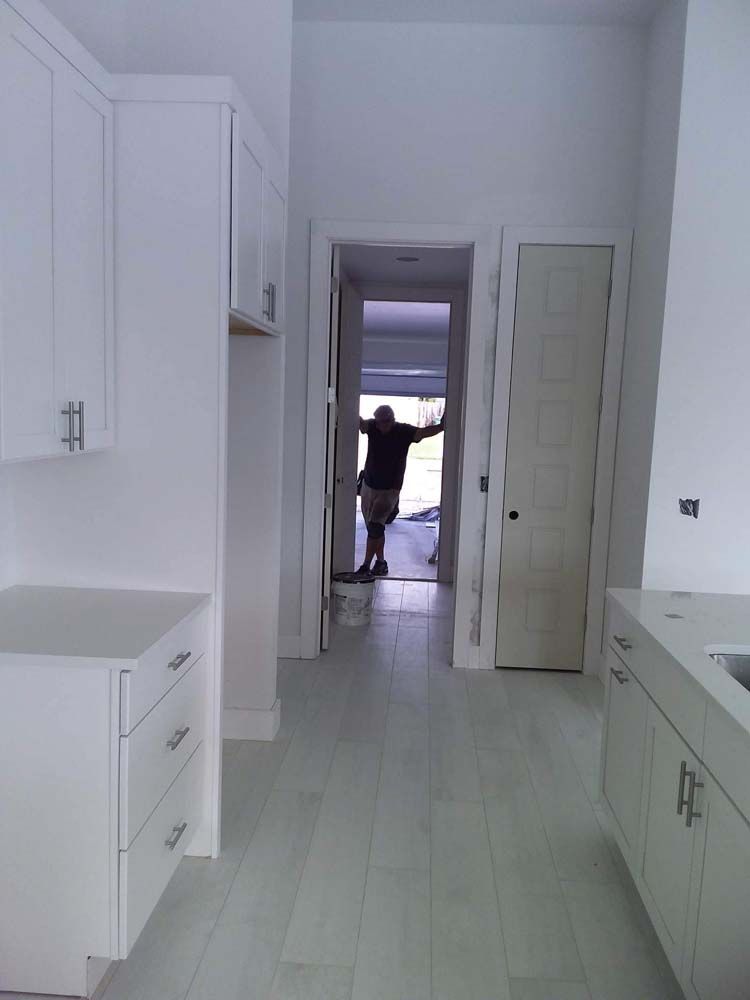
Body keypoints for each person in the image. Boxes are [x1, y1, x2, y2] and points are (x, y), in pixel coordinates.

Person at [357, 403, 445, 576]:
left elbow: (423, 432)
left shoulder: (403, 431)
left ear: (392, 419)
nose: (381, 426)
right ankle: (381, 563)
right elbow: (360, 423)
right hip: (369, 485)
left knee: (375, 527)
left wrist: (442, 426)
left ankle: (366, 565)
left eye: (385, 422)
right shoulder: (372, 427)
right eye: (379, 422)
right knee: (375, 529)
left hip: (390, 490)